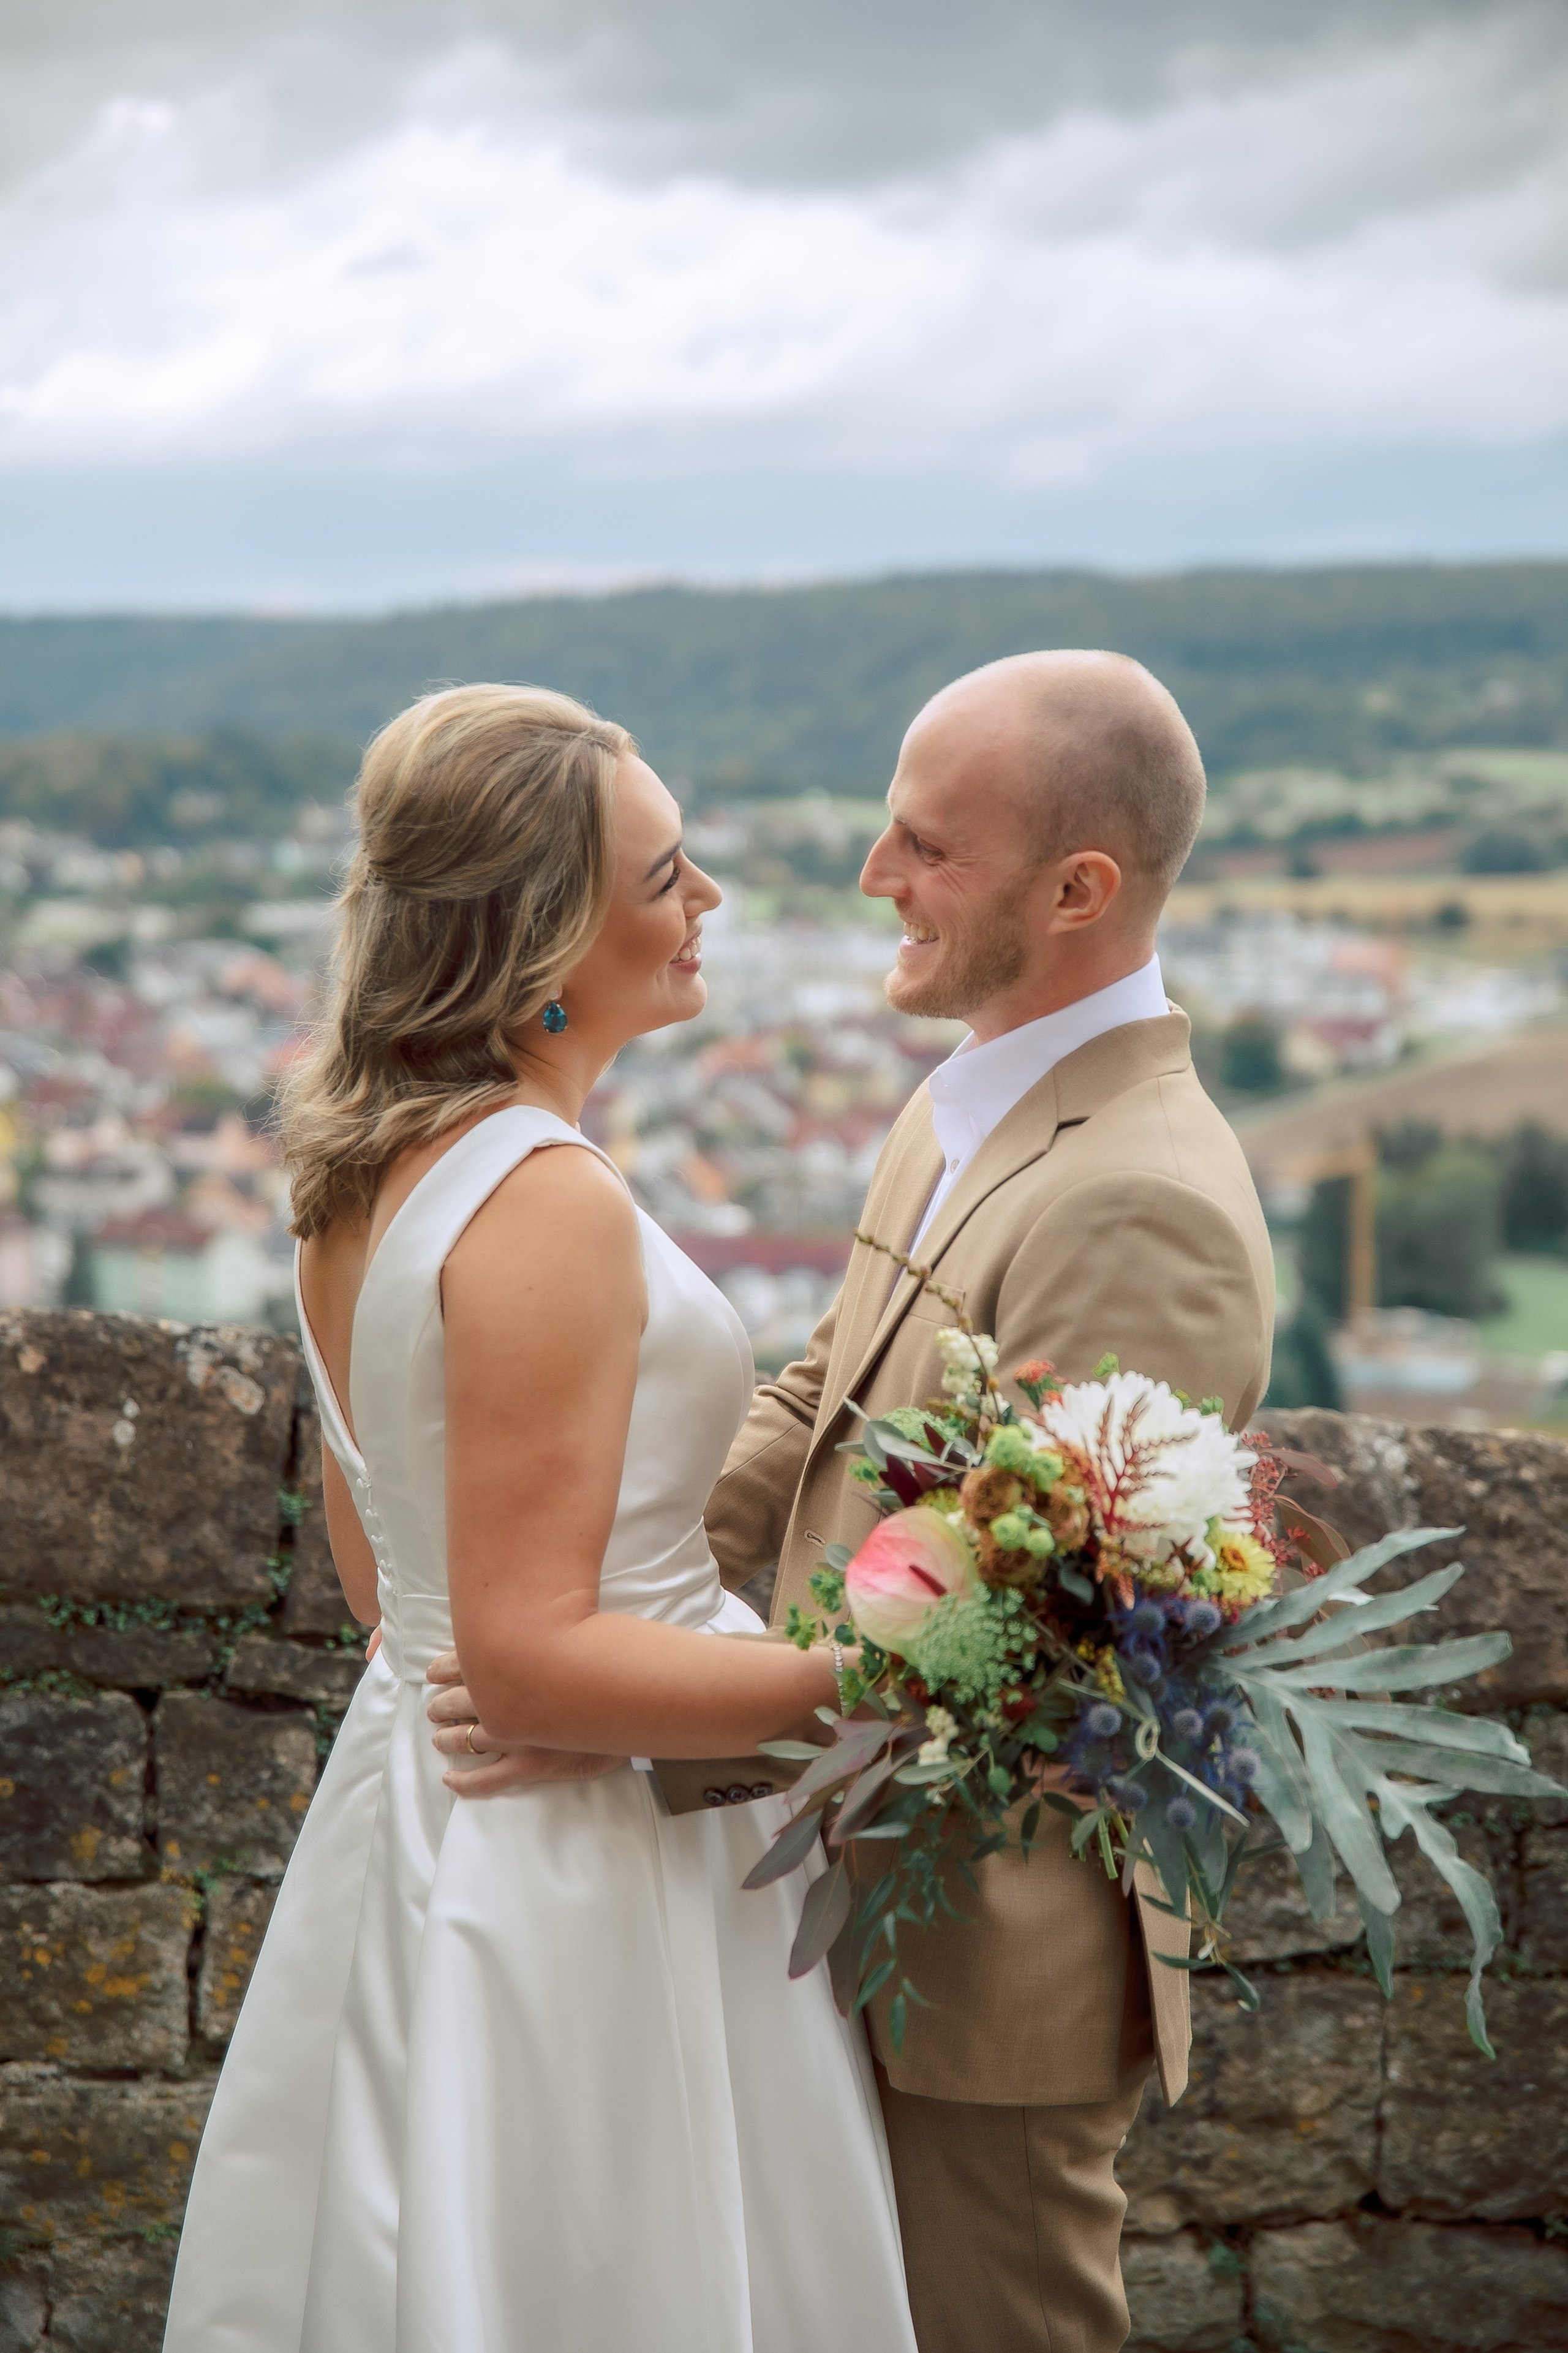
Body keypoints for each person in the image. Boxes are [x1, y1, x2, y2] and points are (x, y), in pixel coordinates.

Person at [428, 650, 1275, 2352]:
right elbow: (824, 1396)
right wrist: (608, 1602)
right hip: (845, 1863)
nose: (875, 876)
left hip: (984, 1950)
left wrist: (641, 1718)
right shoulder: (975, 1095)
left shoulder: (1144, 1200)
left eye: (926, 846)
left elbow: (1020, 1619)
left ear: (1079, 888)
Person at [162, 684, 917, 2353]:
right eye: (666, 873)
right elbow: (520, 1665)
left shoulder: (359, 1179)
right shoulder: (547, 1201)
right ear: (543, 933)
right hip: (576, 1863)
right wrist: (884, 1677)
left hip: (414, 1817)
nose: (707, 900)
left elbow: (395, 1592)